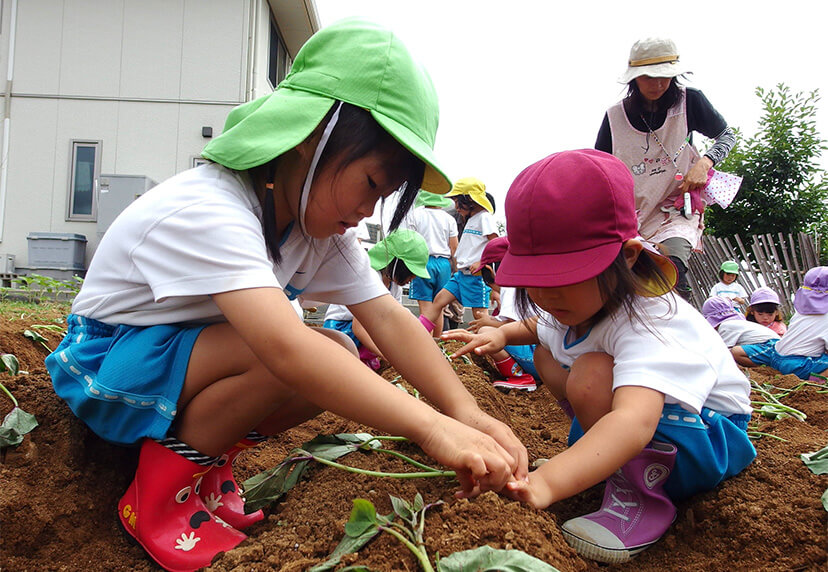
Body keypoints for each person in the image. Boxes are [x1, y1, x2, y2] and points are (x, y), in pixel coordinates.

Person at [44, 19, 526, 572]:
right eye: (371, 184)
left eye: (386, 195)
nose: (370, 211)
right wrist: (433, 428)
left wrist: (468, 413)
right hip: (104, 367)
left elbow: (389, 322)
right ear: (310, 141)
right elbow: (284, 348)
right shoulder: (210, 210)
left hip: (170, 364)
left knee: (339, 354)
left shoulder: (316, 232)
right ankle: (155, 500)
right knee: (289, 349)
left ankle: (202, 467)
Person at [444, 150, 755, 564]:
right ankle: (600, 459)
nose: (547, 294)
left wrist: (547, 483)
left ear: (626, 255)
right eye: (535, 279)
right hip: (667, 428)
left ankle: (640, 495)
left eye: (563, 276)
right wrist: (500, 333)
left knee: (590, 374)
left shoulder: (652, 320)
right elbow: (540, 328)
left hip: (710, 439)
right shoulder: (586, 302)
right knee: (548, 355)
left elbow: (633, 419)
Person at [595, 37, 737, 301]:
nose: (658, 84)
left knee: (673, 273)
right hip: (632, 215)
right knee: (630, 285)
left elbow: (727, 136)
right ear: (634, 78)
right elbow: (599, 169)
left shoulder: (689, 101)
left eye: (665, 77)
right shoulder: (615, 117)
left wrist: (705, 163)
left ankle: (681, 334)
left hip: (676, 208)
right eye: (649, 76)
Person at [323, 228, 431, 370]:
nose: (413, 278)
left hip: (366, 327)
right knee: (347, 365)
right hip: (342, 329)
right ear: (396, 264)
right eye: (411, 271)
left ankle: (364, 358)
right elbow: (359, 328)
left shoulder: (394, 286)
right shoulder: (370, 278)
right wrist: (390, 356)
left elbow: (394, 320)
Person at [419, 177, 498, 337]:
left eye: (457, 202)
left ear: (469, 200)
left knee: (480, 316)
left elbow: (497, 244)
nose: (455, 207)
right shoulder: (470, 219)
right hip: (461, 275)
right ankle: (419, 334)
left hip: (476, 276)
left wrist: (482, 262)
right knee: (439, 300)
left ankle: (488, 346)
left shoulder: (484, 218)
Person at [464, 236, 538, 392]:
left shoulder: (510, 286)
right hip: (546, 358)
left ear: (491, 270)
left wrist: (486, 323)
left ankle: (520, 377)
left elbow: (513, 327)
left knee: (485, 332)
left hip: (535, 358)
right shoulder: (528, 280)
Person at [732, 266, 828, 381]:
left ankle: (771, 370)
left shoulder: (801, 311)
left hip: (776, 356)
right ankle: (818, 381)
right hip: (798, 366)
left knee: (736, 351)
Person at [402, 189, 459, 328]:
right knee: (438, 306)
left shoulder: (415, 215)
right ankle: (437, 343)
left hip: (422, 263)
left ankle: (424, 342)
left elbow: (410, 242)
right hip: (444, 264)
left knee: (426, 307)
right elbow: (454, 247)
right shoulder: (449, 219)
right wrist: (457, 270)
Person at [701, 296, 779, 348]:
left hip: (770, 346)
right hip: (774, 345)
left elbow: (724, 349)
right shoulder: (735, 324)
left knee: (735, 352)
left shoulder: (726, 326)